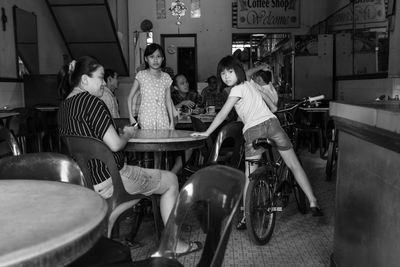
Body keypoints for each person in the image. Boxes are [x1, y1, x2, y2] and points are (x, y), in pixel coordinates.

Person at [58, 56, 201, 255]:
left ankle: (107, 220)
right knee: (170, 180)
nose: (103, 82)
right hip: (112, 178)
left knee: (131, 190)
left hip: (86, 180)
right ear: (84, 80)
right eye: (100, 78)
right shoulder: (92, 102)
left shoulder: (64, 107)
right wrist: (128, 133)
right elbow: (116, 145)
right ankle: (174, 244)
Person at [191, 55, 323, 230]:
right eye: (223, 73)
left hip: (254, 131)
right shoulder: (252, 85)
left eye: (230, 71)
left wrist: (206, 132)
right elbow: (274, 108)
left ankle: (246, 217)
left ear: (238, 71)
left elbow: (223, 114)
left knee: (249, 176)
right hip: (273, 125)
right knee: (294, 164)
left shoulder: (235, 90)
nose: (226, 76)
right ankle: (313, 201)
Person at [127, 43, 175, 129]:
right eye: (152, 57)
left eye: (158, 56)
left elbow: (168, 101)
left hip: (163, 119)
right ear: (146, 59)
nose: (155, 60)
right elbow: (130, 97)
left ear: (163, 58)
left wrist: (171, 121)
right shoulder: (141, 75)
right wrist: (131, 117)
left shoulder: (166, 77)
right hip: (146, 119)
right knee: (148, 142)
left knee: (163, 141)